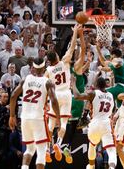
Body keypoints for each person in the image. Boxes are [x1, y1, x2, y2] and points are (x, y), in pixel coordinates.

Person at [9, 57, 60, 169]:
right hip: (38, 118)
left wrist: (12, 116)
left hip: (25, 118)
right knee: (41, 150)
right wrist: (58, 118)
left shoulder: (25, 79)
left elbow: (13, 96)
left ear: (33, 67)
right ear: (43, 67)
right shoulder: (48, 82)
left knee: (30, 149)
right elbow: (54, 101)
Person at [45, 24, 81, 161]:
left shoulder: (48, 71)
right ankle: (59, 145)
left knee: (51, 124)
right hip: (66, 94)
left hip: (55, 95)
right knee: (64, 123)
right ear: (57, 57)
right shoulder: (64, 62)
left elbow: (45, 86)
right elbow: (72, 47)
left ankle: (48, 148)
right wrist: (75, 33)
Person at [73, 76, 117, 169]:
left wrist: (73, 83)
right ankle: (112, 167)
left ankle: (91, 166)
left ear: (96, 85)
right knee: (111, 149)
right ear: (105, 85)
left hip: (94, 123)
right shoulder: (111, 95)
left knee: (92, 145)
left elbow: (77, 96)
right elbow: (113, 110)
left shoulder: (93, 93)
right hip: (106, 123)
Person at [63, 24, 86, 164]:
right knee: (74, 125)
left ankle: (61, 144)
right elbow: (82, 50)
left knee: (65, 124)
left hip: (64, 98)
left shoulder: (61, 65)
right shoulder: (76, 68)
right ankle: (67, 145)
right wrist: (80, 34)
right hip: (76, 98)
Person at [96, 43, 124, 108]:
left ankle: (88, 113)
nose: (110, 57)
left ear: (113, 55)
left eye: (111, 56)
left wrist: (102, 67)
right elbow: (106, 65)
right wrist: (98, 50)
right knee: (120, 109)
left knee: (100, 93)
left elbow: (107, 63)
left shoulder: (118, 60)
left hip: (121, 87)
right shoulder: (116, 64)